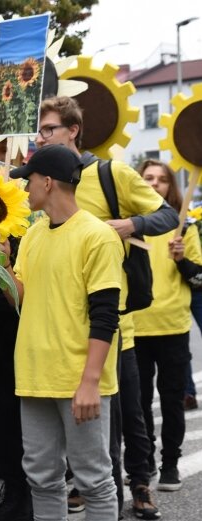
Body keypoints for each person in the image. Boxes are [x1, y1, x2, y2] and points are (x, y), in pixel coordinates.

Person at [37, 96, 176, 518]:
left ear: (73, 130)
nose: (40, 138)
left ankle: (139, 486)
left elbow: (167, 214)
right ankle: (101, 492)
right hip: (64, 328)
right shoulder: (44, 181)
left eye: (48, 130)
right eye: (39, 131)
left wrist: (128, 224)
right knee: (94, 431)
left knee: (127, 417)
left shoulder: (111, 173)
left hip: (114, 323)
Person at [0, 144, 122, 520]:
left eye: (28, 180)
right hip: (34, 378)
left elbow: (105, 315)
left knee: (94, 481)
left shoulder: (97, 236)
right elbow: (23, 299)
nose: (24, 188)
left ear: (47, 182)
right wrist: (2, 265)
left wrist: (90, 382)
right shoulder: (33, 236)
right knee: (42, 479)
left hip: (79, 379)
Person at [133, 159, 202, 495]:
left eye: (161, 179)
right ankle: (144, 462)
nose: (154, 184)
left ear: (171, 187)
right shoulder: (131, 228)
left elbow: (200, 279)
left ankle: (171, 462)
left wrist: (182, 260)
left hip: (172, 326)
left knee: (172, 400)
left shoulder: (184, 229)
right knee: (140, 402)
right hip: (136, 327)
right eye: (148, 178)